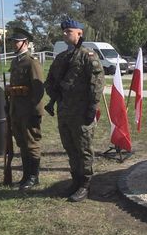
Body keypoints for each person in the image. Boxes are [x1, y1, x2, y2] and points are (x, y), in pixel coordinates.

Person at [45, 18, 105, 202]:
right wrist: (53, 91)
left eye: (68, 31)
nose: (64, 34)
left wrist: (92, 108)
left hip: (81, 112)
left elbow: (97, 83)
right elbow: (50, 80)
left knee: (84, 149)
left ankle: (85, 184)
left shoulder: (88, 56)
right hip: (64, 111)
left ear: (79, 33)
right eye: (63, 31)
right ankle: (75, 180)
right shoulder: (62, 57)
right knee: (70, 148)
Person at [6, 28, 44, 191]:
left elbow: (38, 89)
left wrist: (37, 112)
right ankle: (25, 175)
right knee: (22, 143)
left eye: (17, 42)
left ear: (26, 43)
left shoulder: (31, 61)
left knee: (31, 143)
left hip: (29, 111)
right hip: (16, 109)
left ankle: (33, 177)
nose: (14, 44)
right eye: (13, 42)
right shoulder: (16, 61)